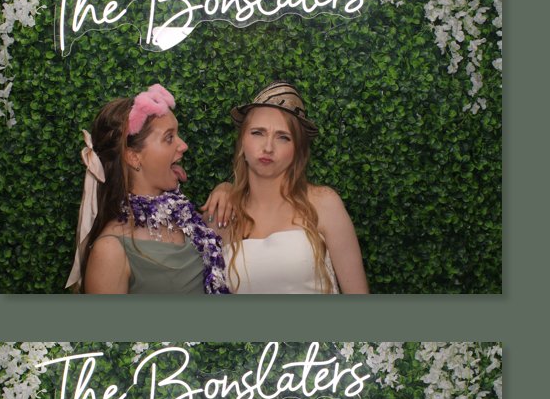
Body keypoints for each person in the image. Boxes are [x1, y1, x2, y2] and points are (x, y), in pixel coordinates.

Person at [203, 83, 369, 294]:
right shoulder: (222, 213)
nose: (268, 147)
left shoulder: (323, 203)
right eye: (258, 133)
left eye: (283, 137)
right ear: (242, 141)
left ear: (297, 149)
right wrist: (226, 188)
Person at [66, 83, 229, 295]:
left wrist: (228, 190)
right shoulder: (110, 251)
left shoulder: (189, 220)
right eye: (169, 137)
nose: (183, 145)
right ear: (133, 157)